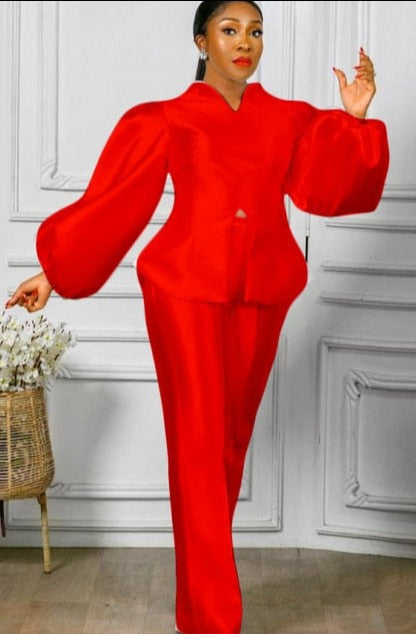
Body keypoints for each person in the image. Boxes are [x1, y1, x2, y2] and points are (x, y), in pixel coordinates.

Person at [6, 1, 389, 632]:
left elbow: (326, 188)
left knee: (228, 444)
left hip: (261, 293)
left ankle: (204, 595)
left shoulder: (288, 119)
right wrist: (55, 273)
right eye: (229, 30)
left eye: (255, 31)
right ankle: (212, 618)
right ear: (201, 42)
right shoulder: (166, 118)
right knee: (198, 447)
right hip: (184, 293)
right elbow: (116, 203)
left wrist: (354, 117)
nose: (245, 42)